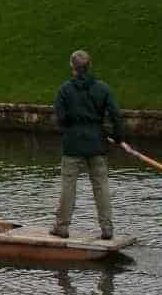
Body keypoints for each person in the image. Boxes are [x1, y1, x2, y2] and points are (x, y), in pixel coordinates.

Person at [52, 48, 126, 240]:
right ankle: (107, 228)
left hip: (73, 144)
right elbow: (116, 116)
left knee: (68, 186)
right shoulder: (103, 89)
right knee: (101, 186)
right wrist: (118, 137)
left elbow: (60, 119)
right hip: (97, 143)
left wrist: (71, 126)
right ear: (89, 66)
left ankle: (62, 226)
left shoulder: (65, 90)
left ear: (72, 67)